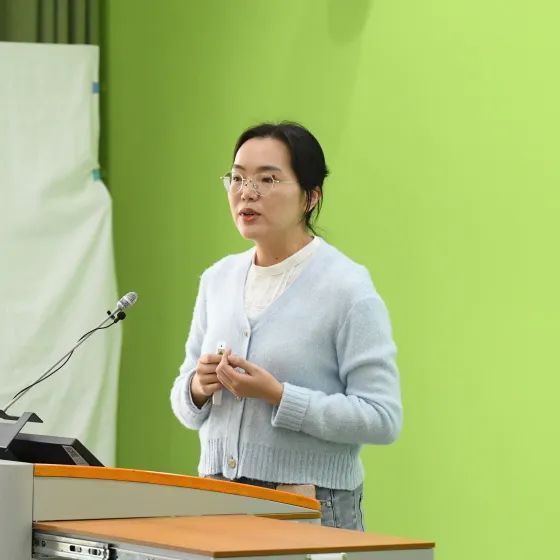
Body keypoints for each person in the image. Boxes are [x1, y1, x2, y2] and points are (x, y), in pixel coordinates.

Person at [170, 122, 402, 531]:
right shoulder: (217, 279)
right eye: (237, 178)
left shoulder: (347, 288)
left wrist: (279, 396)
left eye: (268, 179)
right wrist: (198, 388)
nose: (247, 192)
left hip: (309, 506)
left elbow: (382, 417)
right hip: (218, 501)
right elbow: (185, 402)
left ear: (311, 197)